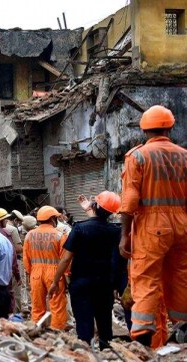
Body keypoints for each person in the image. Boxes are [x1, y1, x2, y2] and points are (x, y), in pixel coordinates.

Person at [119, 105, 187, 348]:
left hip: (151, 225)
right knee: (179, 278)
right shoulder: (184, 154)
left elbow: (129, 201)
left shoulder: (137, 156)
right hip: (182, 226)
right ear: (170, 126)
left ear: (144, 128)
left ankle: (143, 339)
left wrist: (125, 235)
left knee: (146, 279)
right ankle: (182, 333)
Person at [50, 192, 125, 349]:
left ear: (95, 206)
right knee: (105, 322)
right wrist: (118, 284)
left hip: (81, 284)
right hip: (105, 285)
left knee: (84, 323)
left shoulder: (79, 229)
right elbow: (119, 261)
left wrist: (56, 281)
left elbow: (65, 259)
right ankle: (108, 354)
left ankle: (86, 354)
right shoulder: (116, 231)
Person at [23, 206, 69, 330]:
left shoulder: (29, 235)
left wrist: (30, 273)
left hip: (35, 274)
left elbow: (26, 259)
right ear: (53, 219)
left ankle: (36, 331)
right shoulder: (60, 235)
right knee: (57, 305)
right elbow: (65, 259)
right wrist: (66, 276)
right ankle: (56, 332)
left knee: (37, 306)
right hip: (54, 274)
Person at [0, 208, 23, 316]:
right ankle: (16, 315)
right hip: (11, 265)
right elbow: (17, 249)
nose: (7, 221)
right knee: (15, 291)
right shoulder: (11, 230)